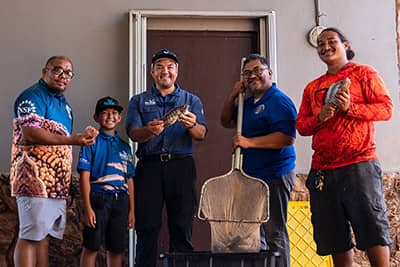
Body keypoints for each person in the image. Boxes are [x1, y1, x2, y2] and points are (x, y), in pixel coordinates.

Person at [296, 27, 393, 267]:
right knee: (334, 235)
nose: (325, 47)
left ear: (345, 45)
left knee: (372, 228)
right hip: (323, 170)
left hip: (359, 164)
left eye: (331, 41)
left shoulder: (364, 74)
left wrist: (351, 108)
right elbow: (301, 126)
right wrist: (321, 118)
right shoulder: (312, 87)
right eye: (320, 43)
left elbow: (386, 109)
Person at [10, 56, 96, 267]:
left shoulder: (64, 106)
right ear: (44, 72)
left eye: (68, 73)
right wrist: (72, 140)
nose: (63, 76)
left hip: (55, 184)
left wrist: (83, 137)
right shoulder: (32, 96)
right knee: (30, 236)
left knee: (44, 237)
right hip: (33, 181)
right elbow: (30, 133)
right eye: (57, 70)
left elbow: (61, 141)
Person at [126, 49, 207, 267]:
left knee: (182, 225)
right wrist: (148, 132)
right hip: (149, 167)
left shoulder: (191, 100)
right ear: (152, 72)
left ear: (177, 71)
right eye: (160, 67)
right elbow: (133, 133)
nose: (165, 71)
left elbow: (201, 134)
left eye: (170, 67)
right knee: (147, 227)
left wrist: (192, 126)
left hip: (181, 166)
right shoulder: (138, 101)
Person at [220, 53, 297, 267]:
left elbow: (287, 137)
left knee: (274, 231)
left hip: (274, 173)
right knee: (254, 232)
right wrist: (233, 94)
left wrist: (249, 143)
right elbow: (226, 121)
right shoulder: (248, 102)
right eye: (247, 73)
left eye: (257, 71)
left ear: (269, 73)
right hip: (251, 176)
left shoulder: (278, 100)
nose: (252, 76)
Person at [78, 96, 135, 267]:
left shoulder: (125, 147)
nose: (110, 116)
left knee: (116, 248)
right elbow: (84, 176)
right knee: (91, 246)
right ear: (96, 117)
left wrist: (132, 210)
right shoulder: (90, 142)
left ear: (119, 118)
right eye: (104, 113)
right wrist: (87, 208)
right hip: (98, 199)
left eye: (114, 113)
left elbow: (129, 179)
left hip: (121, 201)